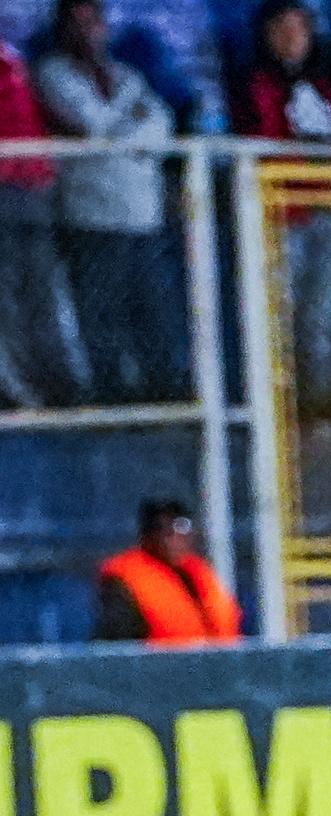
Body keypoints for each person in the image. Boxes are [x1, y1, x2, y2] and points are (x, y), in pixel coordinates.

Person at [31, 0, 175, 406]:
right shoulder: (53, 74)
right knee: (101, 311)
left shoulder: (127, 74)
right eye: (79, 22)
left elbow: (160, 125)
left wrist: (121, 135)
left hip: (143, 211)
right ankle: (111, 395)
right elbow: (92, 123)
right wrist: (130, 127)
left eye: (95, 20)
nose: (90, 30)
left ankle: (162, 389)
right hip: (92, 214)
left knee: (152, 309)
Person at [233, 3, 331, 419]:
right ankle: (273, 406)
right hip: (283, 216)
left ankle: (317, 404)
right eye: (281, 30)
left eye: (298, 30)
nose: (291, 38)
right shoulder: (255, 87)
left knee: (321, 319)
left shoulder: (326, 90)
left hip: (328, 216)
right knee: (278, 315)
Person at [0, 32, 73, 412]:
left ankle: (53, 383)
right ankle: (13, 388)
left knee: (41, 289)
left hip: (31, 187)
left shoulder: (12, 57)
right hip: (4, 188)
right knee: (5, 296)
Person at [93, 496, 239, 643]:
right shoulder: (125, 582)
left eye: (182, 528)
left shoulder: (199, 575)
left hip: (218, 663)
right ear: (148, 536)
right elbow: (116, 649)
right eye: (166, 530)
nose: (175, 538)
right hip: (161, 665)